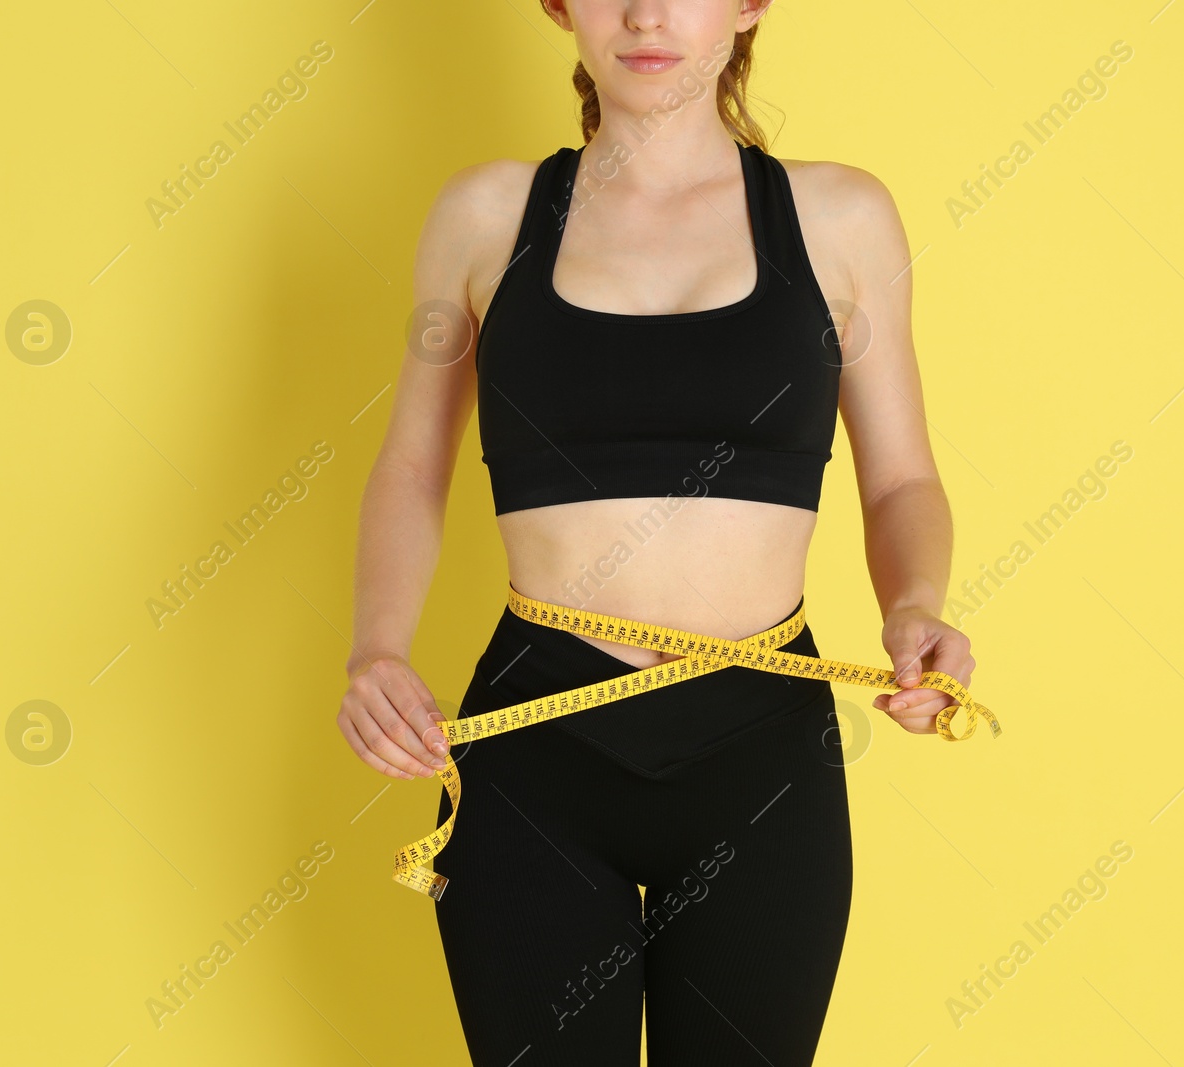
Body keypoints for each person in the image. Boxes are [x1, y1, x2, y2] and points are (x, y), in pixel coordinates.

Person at [337, 1, 979, 1061]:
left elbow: (901, 475)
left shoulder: (840, 219)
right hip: (535, 742)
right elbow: (410, 465)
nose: (644, 14)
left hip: (763, 748)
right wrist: (376, 646)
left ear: (748, 4)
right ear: (556, 4)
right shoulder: (484, 215)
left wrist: (915, 606)